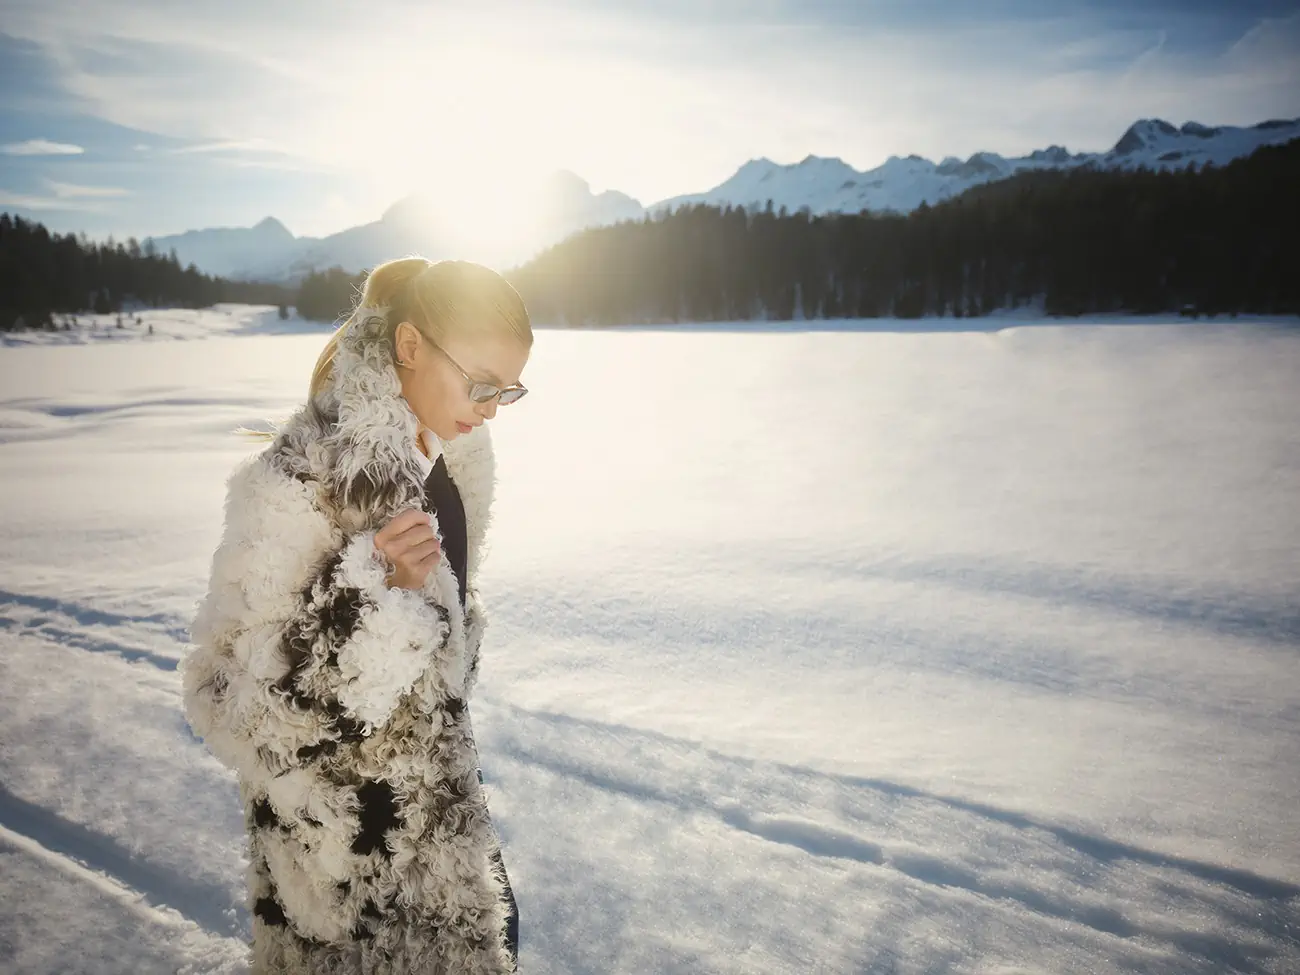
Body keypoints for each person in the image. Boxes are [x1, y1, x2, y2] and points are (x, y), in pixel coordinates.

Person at [181, 257, 531, 973]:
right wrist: (380, 601)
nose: (493, 407)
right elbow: (228, 700)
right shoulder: (300, 477)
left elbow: (445, 640)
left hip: (440, 837)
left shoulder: (452, 465)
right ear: (410, 348)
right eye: (483, 383)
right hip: (344, 877)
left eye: (511, 389)